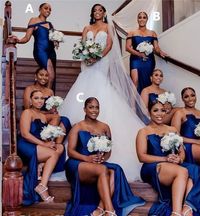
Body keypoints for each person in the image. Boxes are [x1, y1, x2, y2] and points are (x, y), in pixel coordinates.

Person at [59, 3, 148, 181]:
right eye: (95, 11)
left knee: (101, 86)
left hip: (101, 61)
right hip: (88, 62)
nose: (97, 13)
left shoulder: (108, 27)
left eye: (100, 10)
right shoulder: (87, 28)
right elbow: (84, 44)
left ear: (104, 13)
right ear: (92, 13)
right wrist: (86, 56)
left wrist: (98, 56)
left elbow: (109, 45)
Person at [136, 94, 200, 216]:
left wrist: (179, 159)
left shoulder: (172, 130)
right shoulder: (143, 132)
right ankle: (176, 215)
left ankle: (186, 206)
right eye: (155, 110)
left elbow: (182, 152)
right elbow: (141, 156)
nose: (160, 114)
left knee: (194, 169)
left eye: (162, 110)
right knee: (183, 172)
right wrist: (165, 159)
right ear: (150, 112)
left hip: (171, 164)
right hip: (153, 166)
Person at [63, 97, 145, 216]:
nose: (94, 110)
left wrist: (103, 157)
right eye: (91, 107)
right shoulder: (78, 127)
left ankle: (99, 211)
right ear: (84, 109)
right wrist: (87, 158)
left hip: (96, 164)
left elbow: (108, 151)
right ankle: (110, 213)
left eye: (97, 107)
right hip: (77, 163)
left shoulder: (105, 127)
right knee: (103, 170)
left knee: (114, 170)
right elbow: (70, 151)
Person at [17, 90, 64, 205]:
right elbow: (25, 134)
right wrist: (44, 144)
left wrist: (60, 127)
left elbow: (57, 118)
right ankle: (42, 187)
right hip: (25, 144)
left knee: (59, 148)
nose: (39, 101)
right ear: (31, 100)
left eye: (42, 98)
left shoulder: (43, 116)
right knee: (53, 153)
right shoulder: (27, 112)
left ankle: (41, 166)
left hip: (38, 144)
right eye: (36, 98)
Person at [23, 67, 71, 144]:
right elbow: (27, 108)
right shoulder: (29, 89)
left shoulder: (50, 91)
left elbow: (53, 107)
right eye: (41, 75)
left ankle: (58, 144)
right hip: (35, 115)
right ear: (36, 76)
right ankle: (47, 139)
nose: (44, 77)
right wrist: (48, 112)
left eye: (46, 75)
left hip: (47, 117)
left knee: (65, 120)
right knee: (56, 117)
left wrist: (54, 110)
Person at [15, 3, 57, 90]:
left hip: (51, 52)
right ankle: (47, 98)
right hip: (40, 51)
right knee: (51, 75)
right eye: (46, 8)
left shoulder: (50, 24)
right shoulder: (33, 20)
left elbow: (52, 38)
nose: (48, 10)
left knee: (50, 76)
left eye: (50, 9)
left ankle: (46, 98)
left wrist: (56, 41)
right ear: (40, 9)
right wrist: (18, 40)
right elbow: (27, 37)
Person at [126, 12, 167, 94]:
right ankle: (133, 106)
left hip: (149, 60)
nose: (142, 19)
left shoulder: (152, 33)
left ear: (147, 19)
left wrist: (160, 51)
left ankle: (145, 103)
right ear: (137, 19)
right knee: (135, 81)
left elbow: (156, 47)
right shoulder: (132, 33)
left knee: (148, 81)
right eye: (140, 17)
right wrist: (139, 54)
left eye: (144, 17)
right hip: (135, 60)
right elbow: (127, 48)